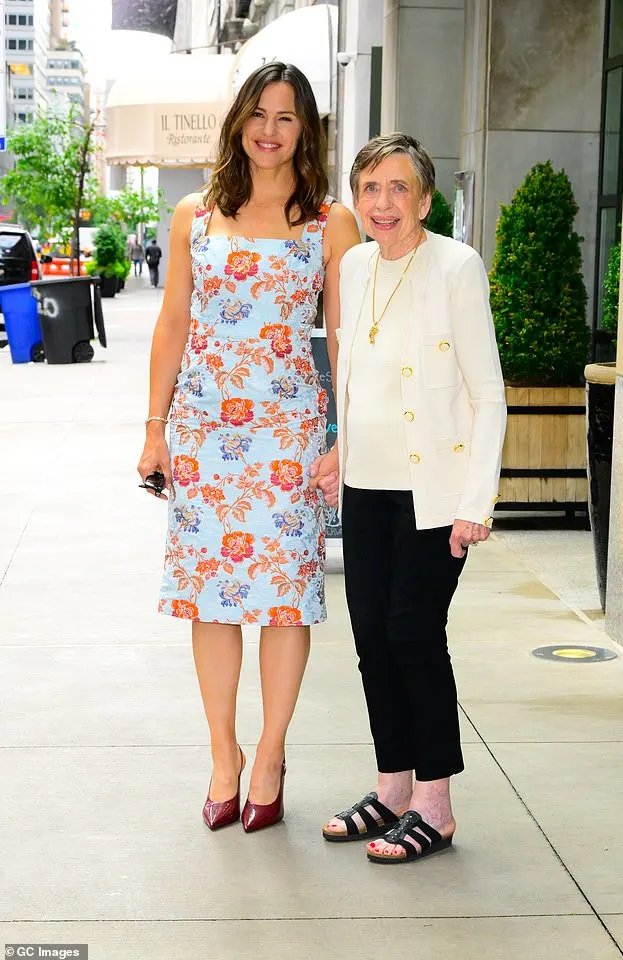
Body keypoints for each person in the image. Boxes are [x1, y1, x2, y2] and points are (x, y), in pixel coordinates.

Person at [137, 62, 359, 835]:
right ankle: (223, 755)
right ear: (239, 120)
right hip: (206, 433)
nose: (269, 129)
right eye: (259, 114)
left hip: (289, 434)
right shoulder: (195, 214)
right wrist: (156, 428)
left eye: (287, 117)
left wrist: (343, 437)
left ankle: (270, 754)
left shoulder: (332, 222)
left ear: (307, 131)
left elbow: (348, 340)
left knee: (285, 599)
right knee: (213, 597)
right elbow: (173, 324)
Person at [311, 133, 506, 864]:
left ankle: (436, 803)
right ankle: (393, 787)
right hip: (365, 485)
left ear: (425, 199)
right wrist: (340, 449)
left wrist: (475, 502)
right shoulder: (355, 265)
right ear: (356, 199)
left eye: (399, 189)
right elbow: (354, 374)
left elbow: (488, 394)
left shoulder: (456, 266)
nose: (382, 203)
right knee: (371, 642)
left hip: (435, 493)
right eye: (370, 188)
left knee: (412, 634)